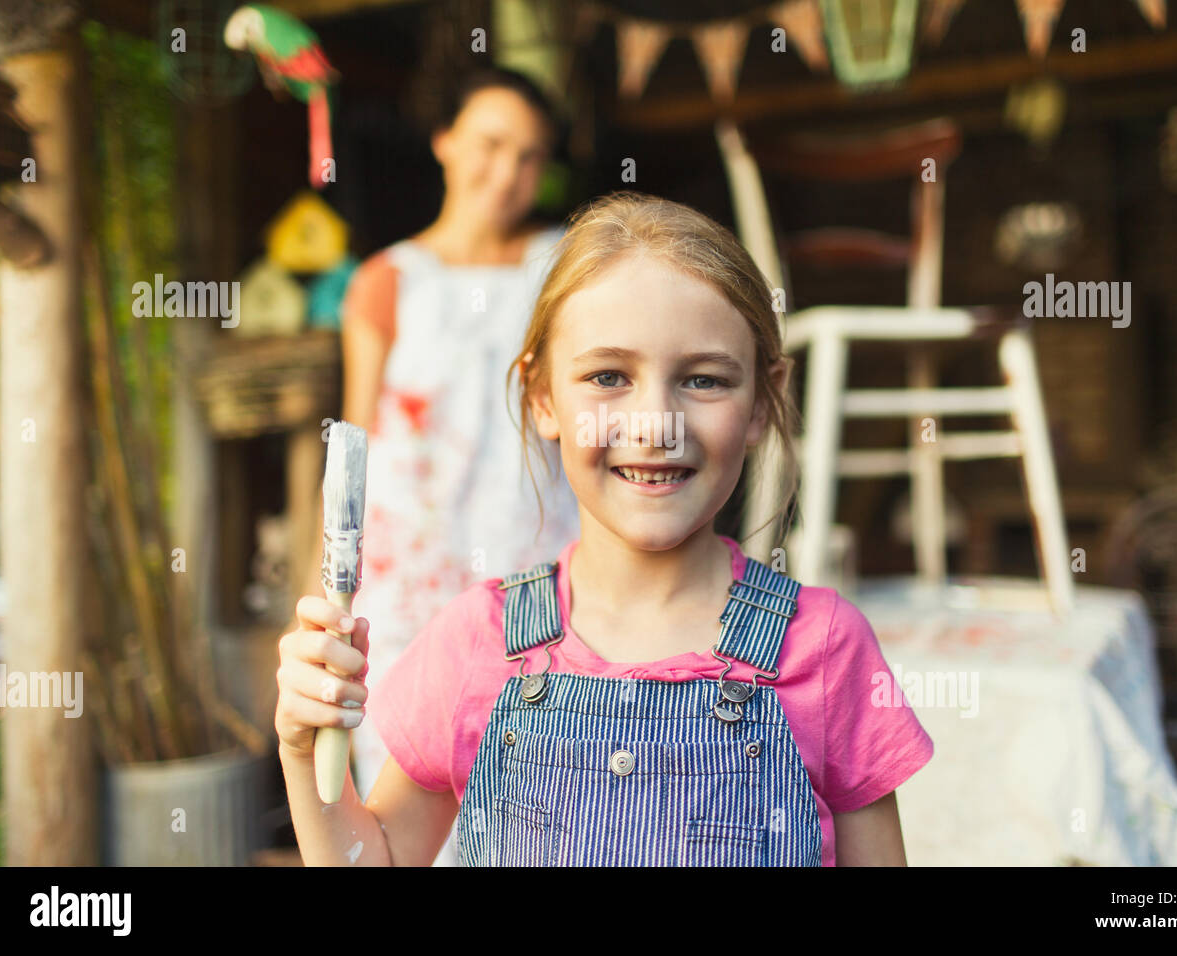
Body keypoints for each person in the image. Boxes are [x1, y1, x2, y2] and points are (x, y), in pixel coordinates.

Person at [279, 192, 934, 866]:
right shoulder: (480, 642)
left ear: (764, 404)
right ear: (543, 399)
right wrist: (301, 750)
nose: (655, 424)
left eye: (704, 380)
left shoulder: (824, 648)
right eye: (608, 376)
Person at [331, 67, 580, 860]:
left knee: (549, 812)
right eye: (491, 144)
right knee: (410, 815)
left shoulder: (565, 267)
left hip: (540, 578)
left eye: (531, 157)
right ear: (444, 142)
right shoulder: (388, 282)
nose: (508, 173)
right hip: (407, 592)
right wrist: (322, 593)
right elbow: (352, 447)